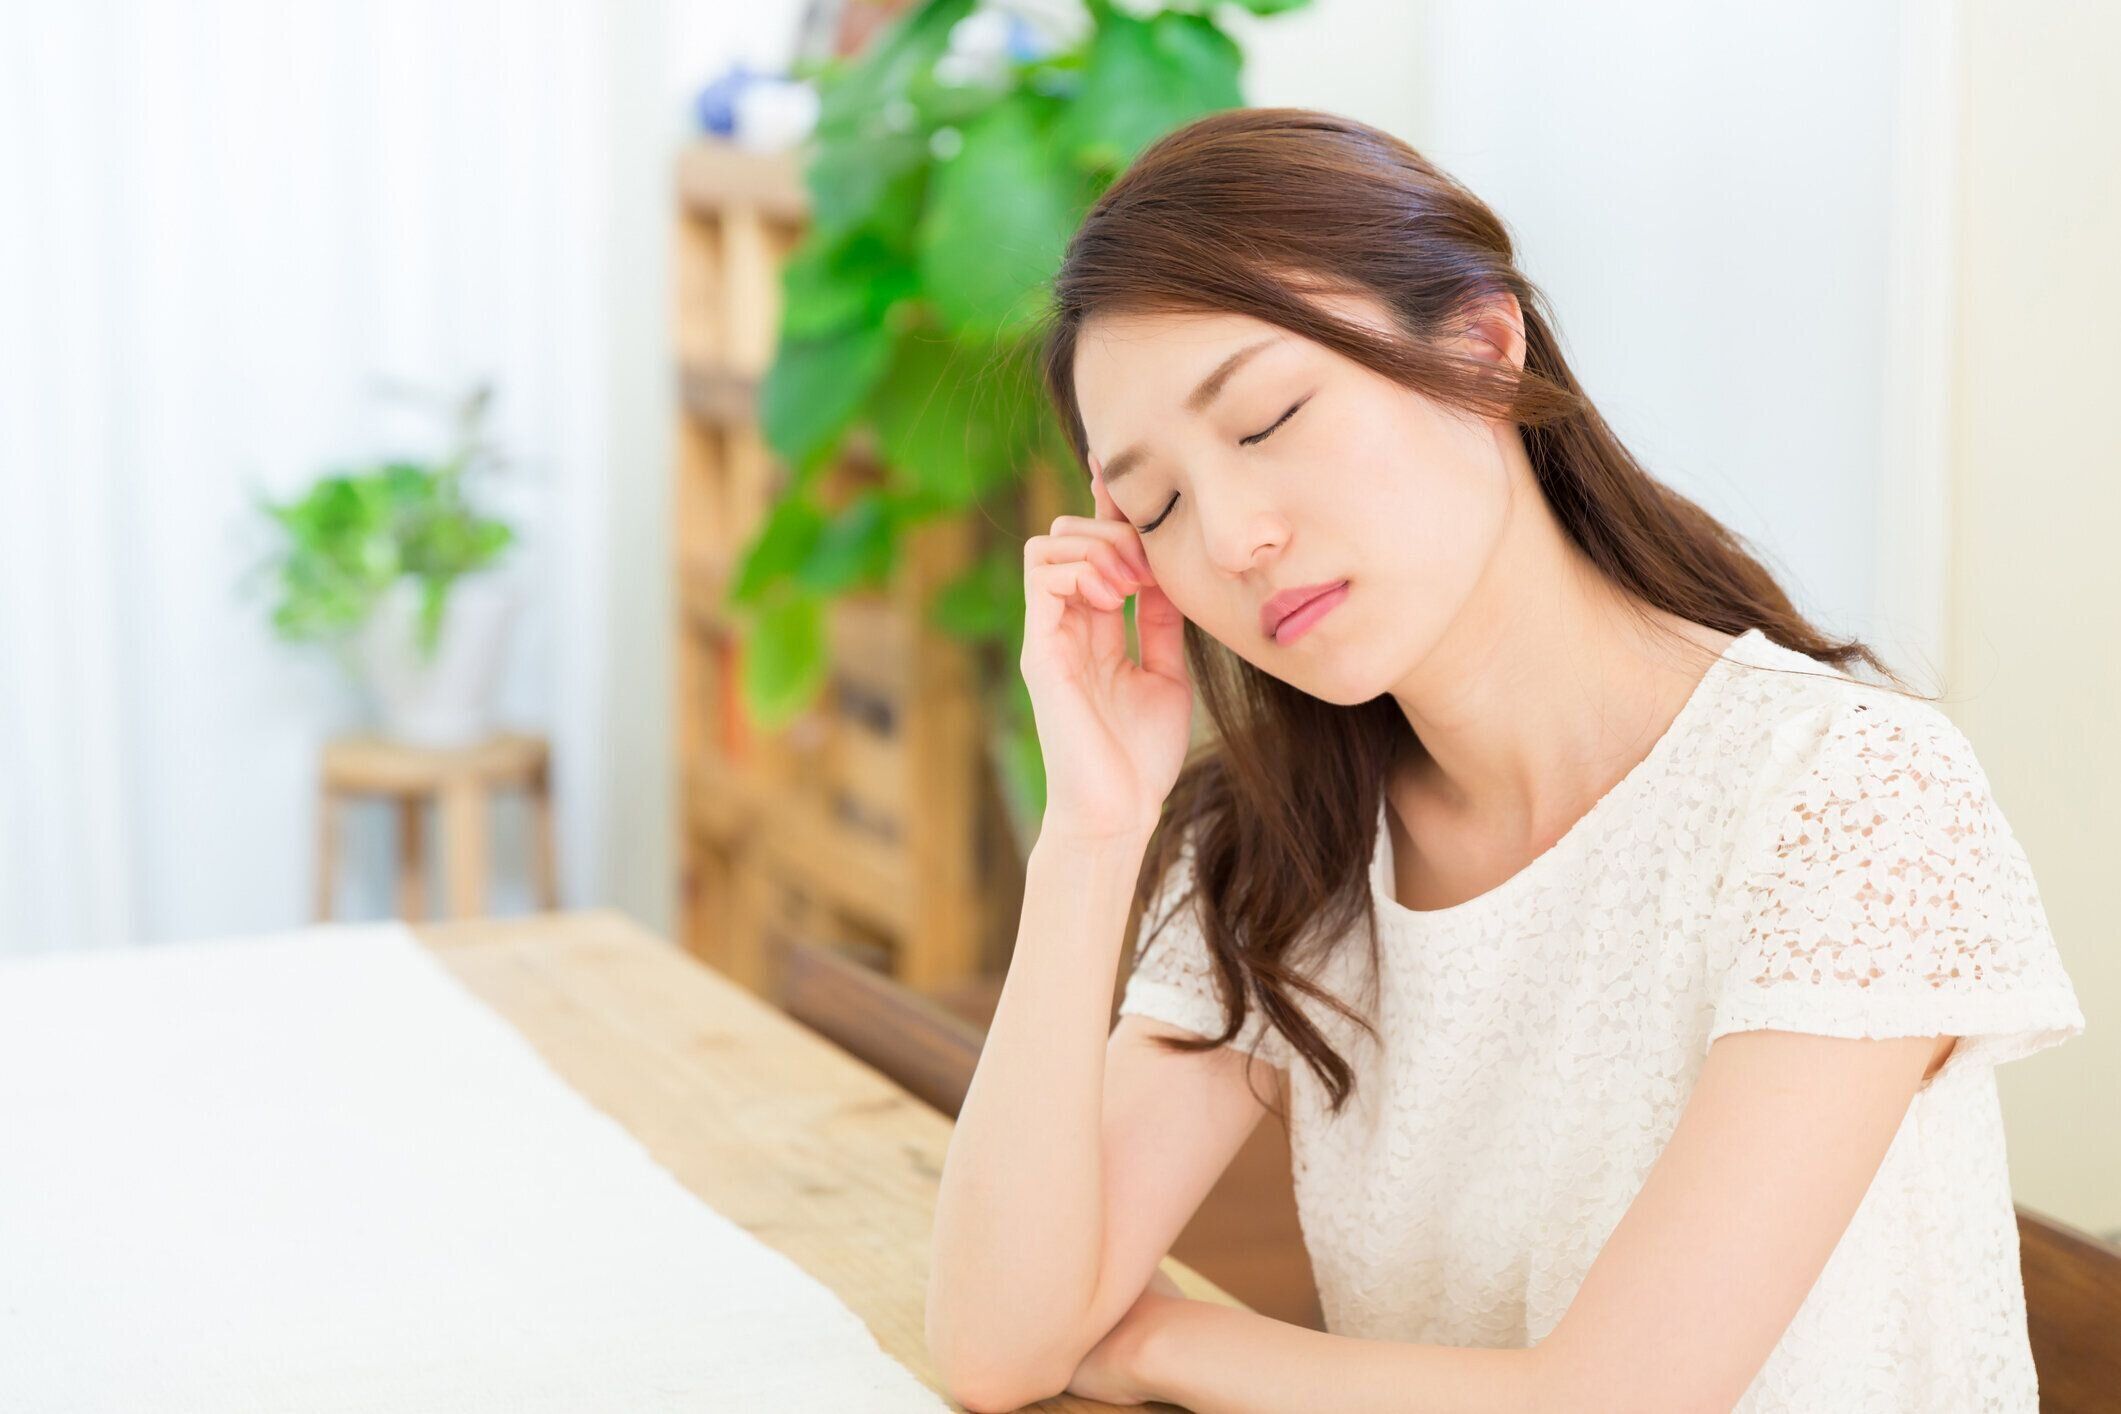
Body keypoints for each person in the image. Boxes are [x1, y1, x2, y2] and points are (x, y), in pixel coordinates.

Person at [925, 107, 2085, 1414]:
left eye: (1262, 421)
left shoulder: (1845, 793)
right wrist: (1089, 828)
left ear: (1479, 346)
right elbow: (994, 1341)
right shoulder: (1280, 847)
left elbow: (1614, 1397)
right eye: (1157, 507)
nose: (1233, 536)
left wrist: (1156, 1343)